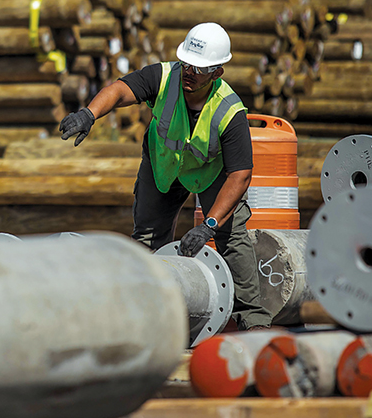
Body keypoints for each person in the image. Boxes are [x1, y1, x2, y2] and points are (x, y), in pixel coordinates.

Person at [59, 22, 272, 330]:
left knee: (233, 237)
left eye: (198, 69)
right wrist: (89, 114)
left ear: (216, 73)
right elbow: (120, 90)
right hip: (163, 167)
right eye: (186, 64)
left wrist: (209, 225)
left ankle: (254, 322)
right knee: (147, 239)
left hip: (209, 174)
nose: (189, 72)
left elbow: (240, 175)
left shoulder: (229, 111)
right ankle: (146, 314)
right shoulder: (163, 76)